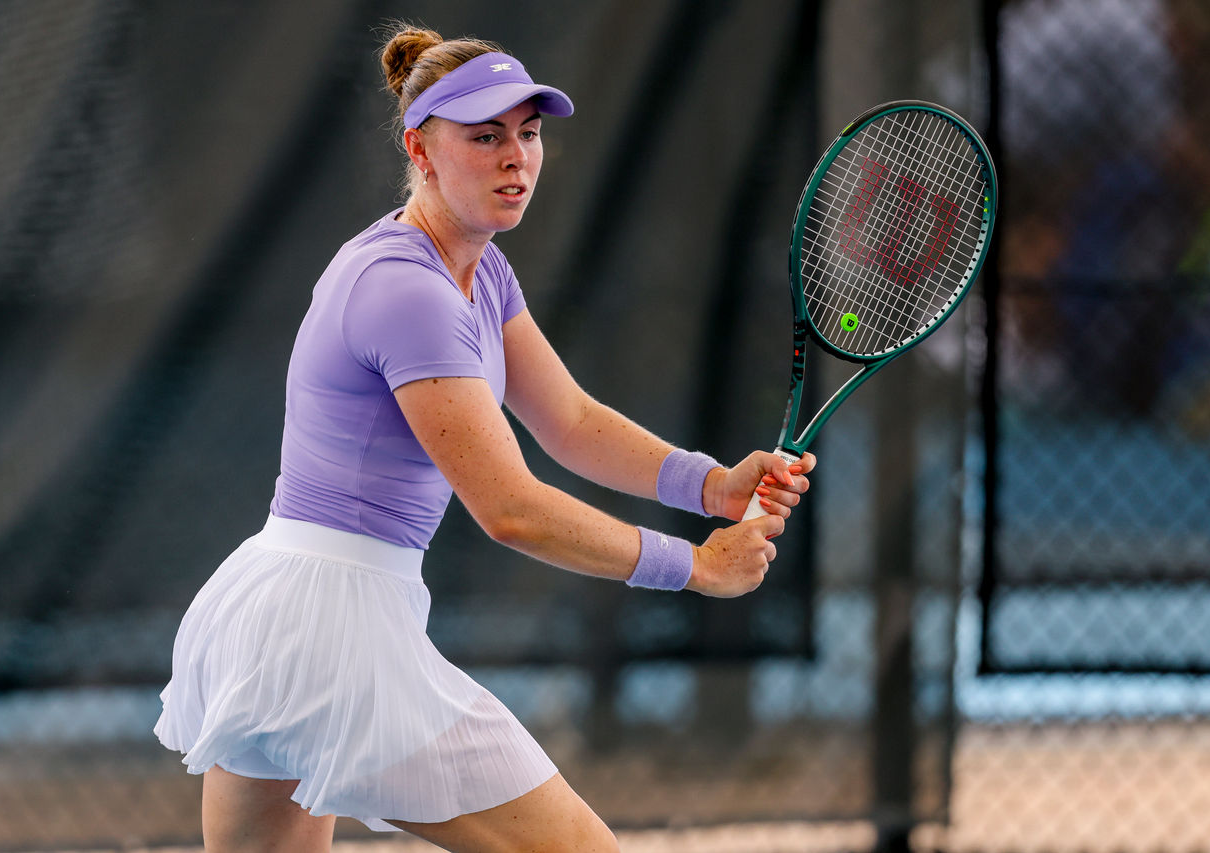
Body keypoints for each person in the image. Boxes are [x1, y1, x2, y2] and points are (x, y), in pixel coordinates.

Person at [154, 24, 815, 853]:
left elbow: (568, 421)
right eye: (485, 136)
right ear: (420, 150)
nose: (517, 157)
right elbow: (512, 510)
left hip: (287, 616)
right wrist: (697, 566)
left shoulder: (479, 270)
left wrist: (709, 485)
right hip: (328, 625)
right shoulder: (407, 290)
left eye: (529, 134)